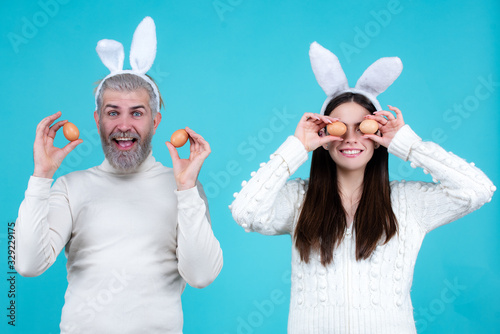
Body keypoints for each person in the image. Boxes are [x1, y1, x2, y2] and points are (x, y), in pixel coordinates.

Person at [230, 42, 495, 333]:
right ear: (323, 134)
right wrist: (297, 147)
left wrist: (408, 145)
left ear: (378, 134)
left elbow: (478, 189)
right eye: (339, 128)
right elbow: (246, 212)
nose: (351, 138)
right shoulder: (299, 200)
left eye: (363, 128)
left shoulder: (408, 202)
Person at [15, 17, 223, 334]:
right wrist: (40, 177)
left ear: (155, 122)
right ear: (98, 120)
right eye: (113, 112)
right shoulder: (70, 187)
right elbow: (27, 264)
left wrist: (186, 190)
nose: (124, 125)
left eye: (136, 113)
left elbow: (202, 275)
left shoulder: (184, 188)